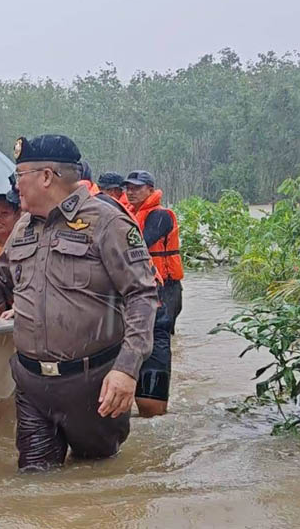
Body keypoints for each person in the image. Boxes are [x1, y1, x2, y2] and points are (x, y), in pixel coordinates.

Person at [0, 134, 158, 471]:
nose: (15, 186)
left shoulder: (107, 222)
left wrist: (127, 369)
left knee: (99, 480)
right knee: (34, 484)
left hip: (92, 386)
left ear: (47, 176)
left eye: (20, 176)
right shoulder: (23, 227)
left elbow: (142, 295)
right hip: (31, 383)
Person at [123, 170, 184, 418]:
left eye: (137, 187)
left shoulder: (160, 216)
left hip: (164, 290)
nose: (131, 191)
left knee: (157, 336)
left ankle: (154, 398)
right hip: (142, 288)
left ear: (150, 190)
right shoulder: (131, 215)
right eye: (128, 187)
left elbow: (139, 243)